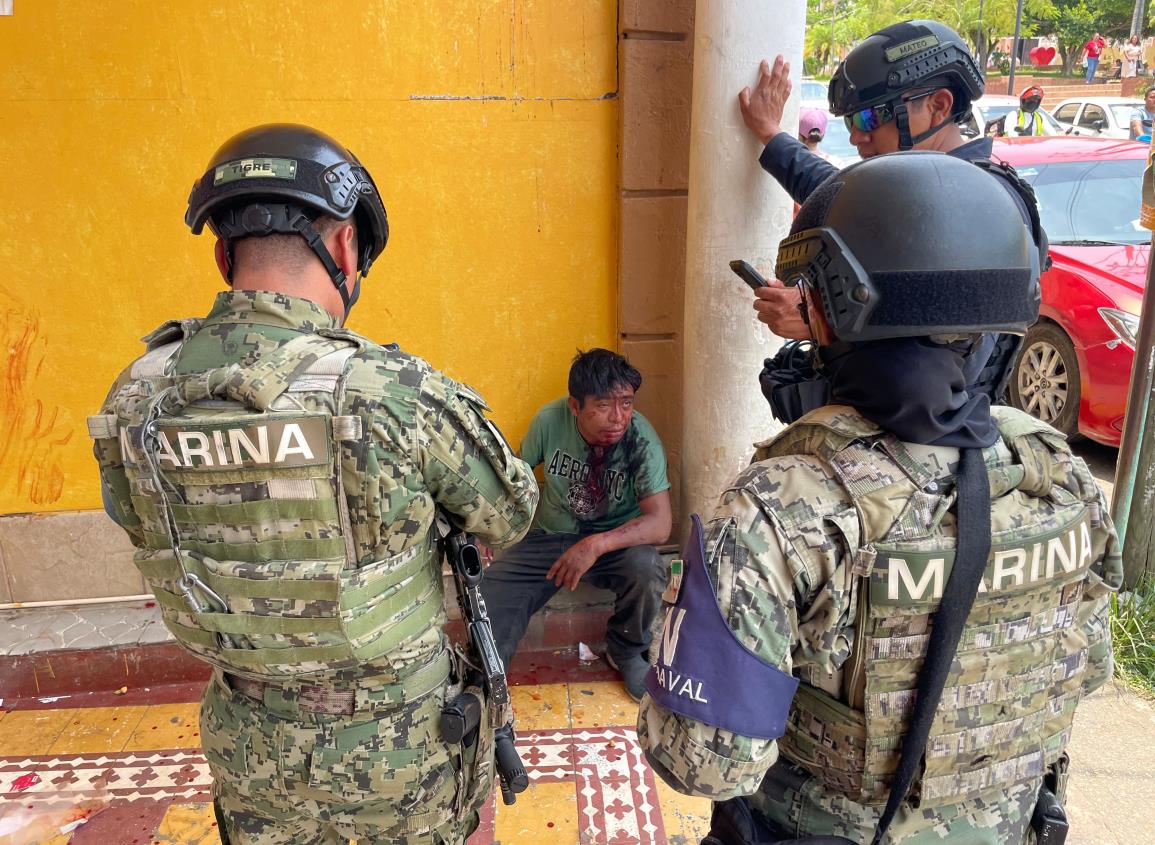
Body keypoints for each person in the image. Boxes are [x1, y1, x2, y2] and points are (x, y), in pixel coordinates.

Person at [638, 152, 1122, 844]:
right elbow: (1086, 671)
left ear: (834, 315)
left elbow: (702, 761)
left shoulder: (777, 506)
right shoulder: (1057, 473)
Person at [88, 124, 539, 845]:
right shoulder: (390, 391)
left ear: (222, 252)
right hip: (398, 749)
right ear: (343, 249)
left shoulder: (137, 396)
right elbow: (511, 511)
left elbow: (136, 518)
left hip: (248, 744)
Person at [738, 20, 1047, 414]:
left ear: (938, 106)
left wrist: (822, 319)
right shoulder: (928, 191)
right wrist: (771, 135)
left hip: (937, 446)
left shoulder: (987, 206)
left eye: (870, 119)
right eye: (851, 122)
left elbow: (953, 360)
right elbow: (841, 194)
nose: (856, 136)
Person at [480, 349, 672, 700]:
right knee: (492, 590)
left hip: (614, 545)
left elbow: (660, 524)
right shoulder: (549, 421)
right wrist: (487, 528)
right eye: (602, 406)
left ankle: (626, 650)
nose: (618, 418)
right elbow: (513, 482)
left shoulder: (641, 440)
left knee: (646, 569)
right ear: (575, 406)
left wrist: (595, 545)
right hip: (550, 536)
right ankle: (488, 678)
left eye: (626, 403)